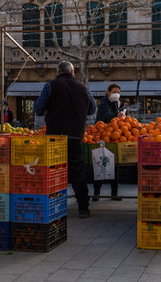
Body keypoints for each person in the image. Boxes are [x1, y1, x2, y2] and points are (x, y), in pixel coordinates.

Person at [34, 61, 97, 218]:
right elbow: (92, 109)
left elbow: (38, 109)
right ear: (73, 72)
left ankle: (53, 206)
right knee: (77, 172)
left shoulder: (50, 86)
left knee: (53, 171)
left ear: (57, 72)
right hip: (76, 136)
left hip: (55, 137)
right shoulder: (83, 87)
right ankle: (83, 207)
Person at [93, 83, 126, 202]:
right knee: (100, 164)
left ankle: (114, 193)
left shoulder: (120, 104)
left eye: (118, 92)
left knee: (115, 165)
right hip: (102, 137)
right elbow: (105, 116)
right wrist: (116, 115)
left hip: (115, 137)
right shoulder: (103, 104)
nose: (116, 94)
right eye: (113, 92)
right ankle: (96, 192)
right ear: (108, 92)